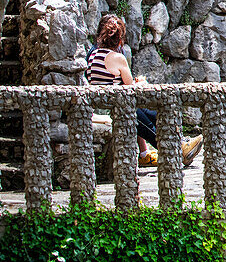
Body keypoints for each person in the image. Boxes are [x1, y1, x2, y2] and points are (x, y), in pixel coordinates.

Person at [86, 14, 203, 168]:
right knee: (145, 119)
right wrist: (141, 83)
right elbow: (131, 89)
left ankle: (179, 143)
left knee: (151, 114)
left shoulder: (92, 54)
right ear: (120, 38)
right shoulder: (117, 57)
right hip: (115, 108)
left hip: (104, 103)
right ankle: (177, 149)